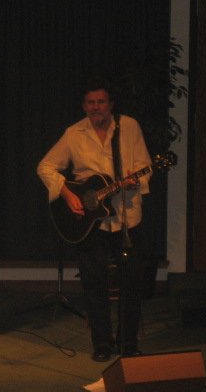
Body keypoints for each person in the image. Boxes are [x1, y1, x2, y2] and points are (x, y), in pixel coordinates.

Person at [37, 76, 152, 362]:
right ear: (84, 105)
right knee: (94, 283)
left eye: (101, 101)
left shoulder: (129, 127)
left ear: (111, 104)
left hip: (126, 217)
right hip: (90, 223)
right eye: (90, 102)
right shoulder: (73, 133)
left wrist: (134, 182)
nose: (96, 107)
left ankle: (128, 343)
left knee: (131, 283)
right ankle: (102, 344)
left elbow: (145, 166)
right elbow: (45, 167)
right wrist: (66, 193)